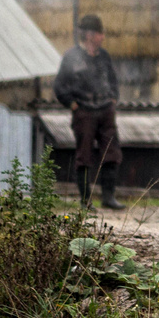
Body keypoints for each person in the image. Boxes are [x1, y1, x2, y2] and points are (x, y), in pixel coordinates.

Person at [53, 14, 124, 209]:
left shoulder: (104, 56)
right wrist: (72, 104)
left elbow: (113, 81)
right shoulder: (71, 57)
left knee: (111, 152)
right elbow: (59, 86)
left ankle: (108, 198)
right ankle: (86, 200)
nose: (102, 37)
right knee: (84, 155)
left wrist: (113, 99)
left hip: (105, 111)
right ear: (91, 35)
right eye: (100, 33)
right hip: (84, 112)